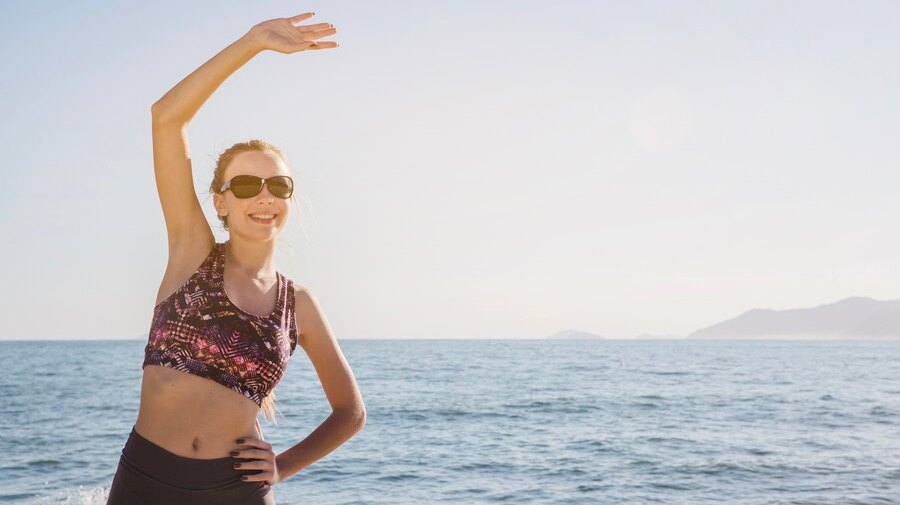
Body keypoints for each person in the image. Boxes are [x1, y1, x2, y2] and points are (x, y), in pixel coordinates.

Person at [106, 11, 366, 504]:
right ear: (221, 201)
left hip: (237, 491)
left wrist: (282, 467)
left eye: (277, 185)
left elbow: (349, 412)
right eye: (245, 185)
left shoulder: (298, 304)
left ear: (289, 198)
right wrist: (252, 44)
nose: (263, 196)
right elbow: (167, 117)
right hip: (146, 480)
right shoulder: (192, 252)